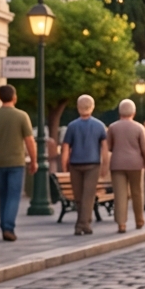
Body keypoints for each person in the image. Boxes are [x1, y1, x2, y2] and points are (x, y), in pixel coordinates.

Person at [0, 85, 37, 241]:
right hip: (16, 162)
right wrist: (34, 160)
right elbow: (29, 140)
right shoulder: (22, 116)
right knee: (13, 196)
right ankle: (8, 227)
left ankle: (4, 226)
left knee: (3, 196)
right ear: (14, 97)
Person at [61, 94, 109, 236]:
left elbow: (65, 148)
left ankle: (82, 224)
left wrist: (64, 165)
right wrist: (105, 165)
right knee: (88, 196)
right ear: (92, 107)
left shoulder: (72, 126)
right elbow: (104, 149)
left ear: (78, 108)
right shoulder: (100, 126)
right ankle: (84, 224)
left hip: (75, 164)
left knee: (79, 196)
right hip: (93, 164)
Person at [107, 99, 145, 234]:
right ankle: (139, 220)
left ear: (120, 111)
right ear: (134, 112)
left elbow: (108, 147)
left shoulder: (112, 127)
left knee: (120, 194)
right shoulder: (139, 128)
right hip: (135, 164)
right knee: (137, 192)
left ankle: (121, 224)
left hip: (117, 164)